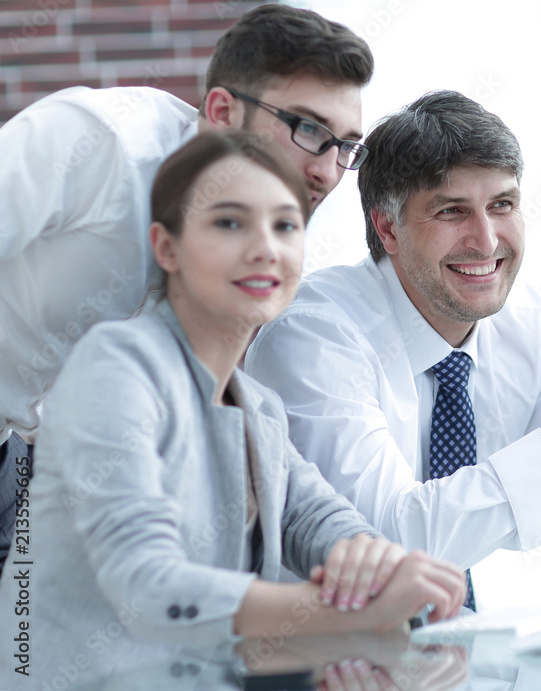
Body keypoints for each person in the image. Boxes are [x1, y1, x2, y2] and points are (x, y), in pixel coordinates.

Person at [0, 132, 466, 687]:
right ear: (166, 247)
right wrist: (360, 616)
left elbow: (314, 517)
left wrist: (378, 566)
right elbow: (148, 586)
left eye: (285, 225)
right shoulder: (116, 365)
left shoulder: (257, 406)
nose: (265, 247)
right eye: (229, 223)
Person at [0, 3, 373, 576]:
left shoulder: (254, 251)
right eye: (308, 129)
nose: (326, 172)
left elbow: (245, 423)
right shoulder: (96, 141)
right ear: (222, 111)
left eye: (345, 146)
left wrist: (361, 553)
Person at [245, 91, 541, 608]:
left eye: (502, 205)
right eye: (452, 211)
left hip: (454, 661)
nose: (485, 241)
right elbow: (388, 548)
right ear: (387, 227)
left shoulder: (535, 326)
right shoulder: (312, 337)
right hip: (319, 663)